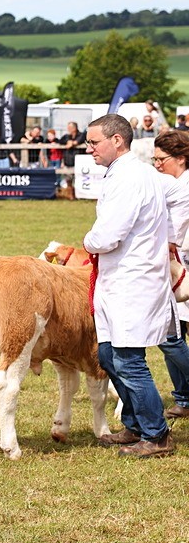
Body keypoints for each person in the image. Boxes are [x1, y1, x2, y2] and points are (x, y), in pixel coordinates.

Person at [84, 114, 176, 457]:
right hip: (122, 276)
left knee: (127, 358)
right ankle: (137, 425)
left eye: (94, 142)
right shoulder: (134, 173)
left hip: (132, 277)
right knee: (108, 354)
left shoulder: (130, 178)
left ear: (117, 141)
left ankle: (156, 435)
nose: (89, 148)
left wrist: (88, 240)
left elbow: (108, 234)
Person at [152, 131, 189, 419]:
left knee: (171, 338)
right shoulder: (169, 184)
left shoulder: (184, 188)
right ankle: (184, 398)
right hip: (174, 268)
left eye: (161, 159)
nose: (156, 164)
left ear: (180, 158)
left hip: (182, 265)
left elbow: (174, 235)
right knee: (172, 336)